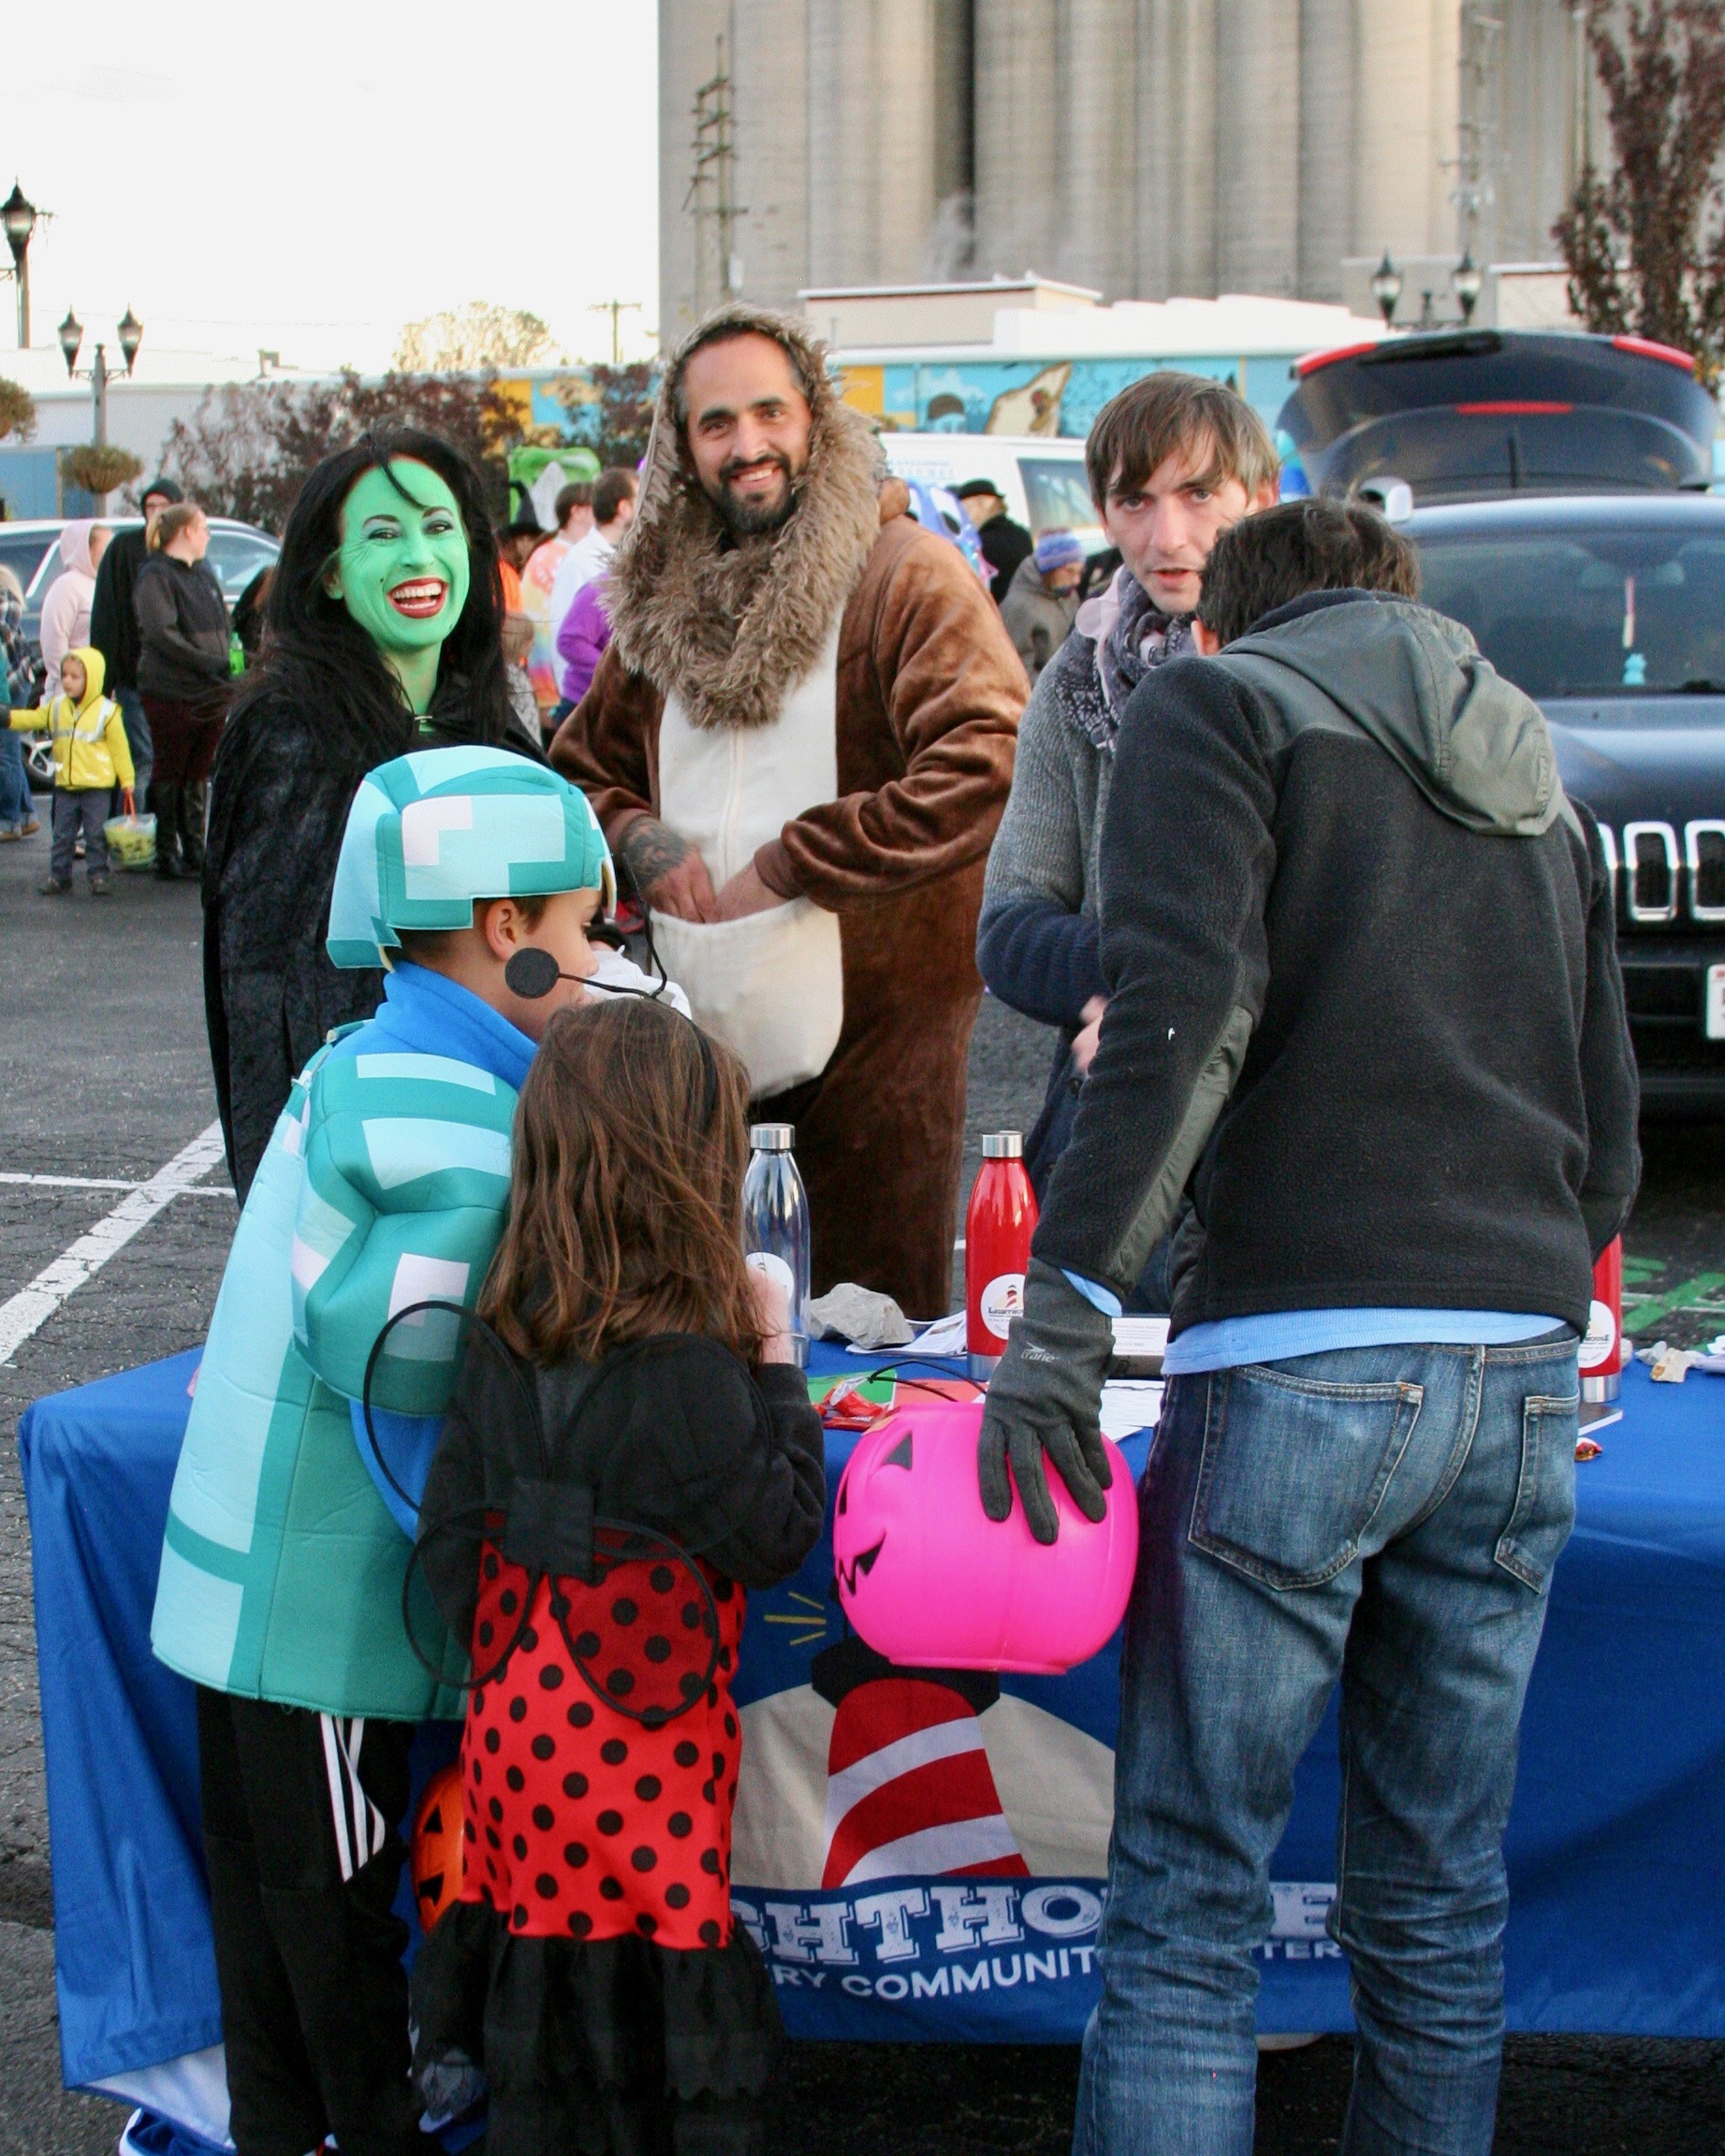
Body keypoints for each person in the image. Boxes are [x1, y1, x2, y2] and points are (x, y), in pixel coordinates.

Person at [975, 498, 1641, 2152]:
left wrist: (1058, 1316)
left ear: (1225, 628)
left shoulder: (1221, 704)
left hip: (1295, 1359)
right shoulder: (1536, 777)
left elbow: (1174, 1024)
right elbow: (1612, 1146)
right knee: (1433, 1898)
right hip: (1513, 1378)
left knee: (1192, 1902)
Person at [152, 746, 614, 2156]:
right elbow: (400, 1343)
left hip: (242, 1586)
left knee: (274, 1960)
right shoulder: (446, 1102)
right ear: (503, 933)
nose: (594, 961)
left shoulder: (362, 1055)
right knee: (346, 1969)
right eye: (580, 928)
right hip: (327, 1605)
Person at [411, 993, 826, 2154]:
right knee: (652, 1952)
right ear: (687, 1164)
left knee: (542, 1945)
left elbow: (450, 1540)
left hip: (515, 1729)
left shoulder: (499, 1330)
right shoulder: (689, 1370)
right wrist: (778, 1354)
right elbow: (778, 1531)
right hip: (642, 1744)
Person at [552, 303, 1024, 1317]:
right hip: (694, 1060)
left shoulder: (901, 575)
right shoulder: (655, 599)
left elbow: (987, 759)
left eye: (769, 412)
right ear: (681, 446)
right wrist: (641, 838)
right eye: (715, 424)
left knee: (868, 1344)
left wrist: (798, 858)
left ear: (815, 417)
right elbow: (578, 768)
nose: (747, 445)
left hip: (870, 1066)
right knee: (694, 1346)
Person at [977, 373, 1279, 1285]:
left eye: (1197, 495)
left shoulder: (1313, 672)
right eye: (1134, 500)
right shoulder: (1076, 684)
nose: (1166, 536)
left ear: (1258, 499)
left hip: (1290, 1133)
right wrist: (1140, 989)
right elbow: (1010, 929)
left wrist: (1168, 1001)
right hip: (1120, 1123)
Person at [201, 428, 534, 1204]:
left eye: (438, 527)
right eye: (383, 535)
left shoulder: (496, 719)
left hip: (499, 1117)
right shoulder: (288, 726)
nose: (419, 556)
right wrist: (284, 1172)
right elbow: (261, 981)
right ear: (329, 577)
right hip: (365, 1139)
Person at [135, 503, 230, 880]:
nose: (207, 535)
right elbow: (162, 634)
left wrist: (228, 661)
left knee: (198, 770)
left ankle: (195, 846)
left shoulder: (204, 573)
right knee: (170, 768)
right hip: (172, 689)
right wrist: (208, 662)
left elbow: (223, 622)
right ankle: (166, 850)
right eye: (203, 527)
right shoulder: (155, 576)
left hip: (211, 688)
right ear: (186, 531)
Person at [10, 647, 134, 895]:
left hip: (96, 787)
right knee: (62, 835)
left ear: (92, 678)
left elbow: (120, 749)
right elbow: (33, 719)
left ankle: (98, 874)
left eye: (74, 676)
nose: (67, 681)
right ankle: (59, 875)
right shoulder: (57, 707)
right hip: (66, 785)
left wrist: (127, 779)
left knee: (96, 835)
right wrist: (8, 718)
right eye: (64, 675)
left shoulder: (107, 712)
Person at [90, 473, 183, 803]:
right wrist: (104, 679)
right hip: (135, 678)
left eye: (163, 506)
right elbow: (107, 615)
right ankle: (136, 838)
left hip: (177, 680)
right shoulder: (125, 549)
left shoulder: (184, 549)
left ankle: (163, 838)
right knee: (143, 762)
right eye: (149, 506)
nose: (156, 512)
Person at [519, 479, 593, 728]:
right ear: (578, 511)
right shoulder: (559, 558)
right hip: (557, 692)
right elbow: (550, 629)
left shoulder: (551, 553)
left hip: (550, 689)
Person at [546, 464, 637, 639]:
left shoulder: (635, 555)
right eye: (641, 499)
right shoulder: (579, 561)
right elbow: (563, 635)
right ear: (624, 508)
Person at [1001, 527, 1084, 684]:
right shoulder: (1019, 606)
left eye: (1079, 572)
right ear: (1050, 569)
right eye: (1069, 571)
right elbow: (1019, 669)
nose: (1076, 580)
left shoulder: (1068, 596)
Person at [37, 520, 111, 695]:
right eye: (105, 547)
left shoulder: (103, 584)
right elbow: (54, 642)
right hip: (72, 694)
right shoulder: (67, 586)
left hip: (100, 691)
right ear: (86, 550)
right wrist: (70, 680)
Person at [0, 566, 41, 840]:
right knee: (9, 751)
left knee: (6, 753)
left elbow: (3, 630)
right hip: (9, 680)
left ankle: (8, 822)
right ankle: (26, 816)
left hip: (13, 683)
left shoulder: (7, 599)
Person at [953, 476, 1032, 600]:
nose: (962, 515)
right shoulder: (1022, 535)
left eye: (965, 507)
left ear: (983, 504)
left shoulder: (979, 545)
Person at [555, 570, 612, 709]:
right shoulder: (603, 589)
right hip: (588, 707)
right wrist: (614, 674)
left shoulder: (665, 595)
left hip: (636, 710)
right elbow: (570, 641)